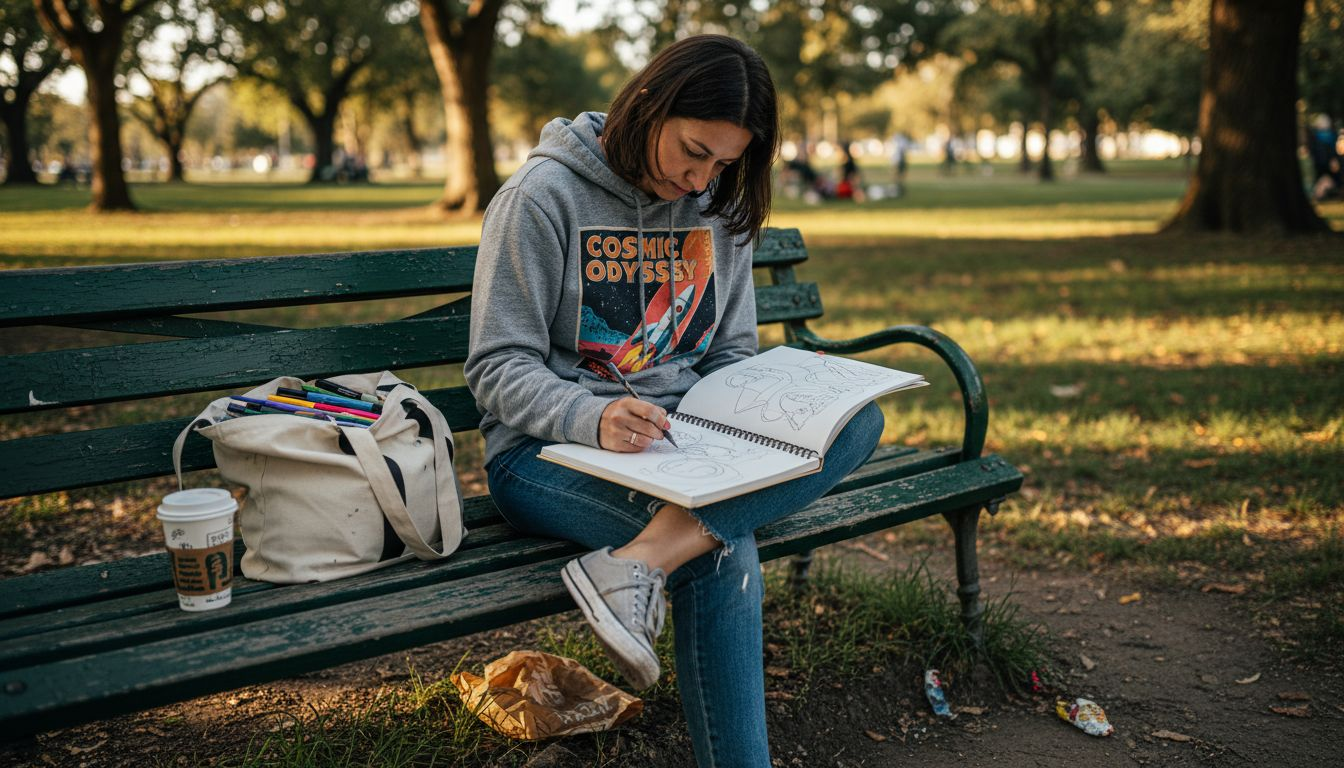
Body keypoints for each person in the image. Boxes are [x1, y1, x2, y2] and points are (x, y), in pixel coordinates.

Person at [465, 34, 883, 768]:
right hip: (547, 453)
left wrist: (770, 399)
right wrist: (589, 416)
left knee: (859, 420)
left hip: (686, 446)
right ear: (649, 106)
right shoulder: (541, 197)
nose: (700, 180)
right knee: (723, 551)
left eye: (723, 163)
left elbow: (727, 352)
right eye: (693, 151)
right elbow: (497, 366)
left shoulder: (717, 206)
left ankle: (642, 561)